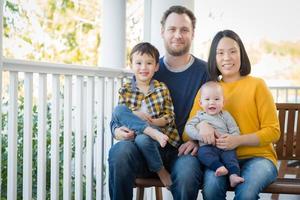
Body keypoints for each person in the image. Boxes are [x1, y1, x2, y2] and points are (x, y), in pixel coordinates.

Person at [108, 5, 209, 200]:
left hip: (182, 150)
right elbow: (122, 111)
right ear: (162, 32)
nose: (177, 35)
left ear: (193, 34)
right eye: (172, 29)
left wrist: (198, 140)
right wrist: (116, 131)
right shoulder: (149, 68)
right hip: (143, 148)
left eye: (184, 30)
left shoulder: (204, 71)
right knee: (119, 152)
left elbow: (216, 110)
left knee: (188, 174)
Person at [188, 29, 280, 199]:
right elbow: (189, 130)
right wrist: (202, 125)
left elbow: (273, 131)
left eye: (232, 51)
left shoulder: (257, 85)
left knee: (246, 193)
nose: (226, 58)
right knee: (212, 188)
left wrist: (237, 140)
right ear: (214, 58)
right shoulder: (209, 90)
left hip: (259, 158)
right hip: (220, 160)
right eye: (220, 53)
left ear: (241, 54)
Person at [111, 42, 180, 187]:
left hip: (158, 139)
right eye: (139, 63)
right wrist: (134, 116)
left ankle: (161, 171)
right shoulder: (125, 90)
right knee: (118, 110)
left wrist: (152, 122)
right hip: (135, 137)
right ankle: (148, 132)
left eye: (149, 63)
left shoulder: (161, 88)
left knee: (144, 139)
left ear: (156, 66)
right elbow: (119, 119)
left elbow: (169, 117)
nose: (143, 67)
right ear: (131, 65)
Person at [185, 81, 244, 188]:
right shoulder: (199, 116)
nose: (212, 102)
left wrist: (231, 139)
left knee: (231, 158)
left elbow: (234, 129)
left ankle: (233, 176)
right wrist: (199, 136)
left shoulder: (225, 115)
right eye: (207, 99)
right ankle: (219, 167)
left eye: (216, 99)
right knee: (202, 154)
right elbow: (188, 128)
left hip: (224, 146)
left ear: (223, 103)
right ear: (201, 103)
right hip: (207, 147)